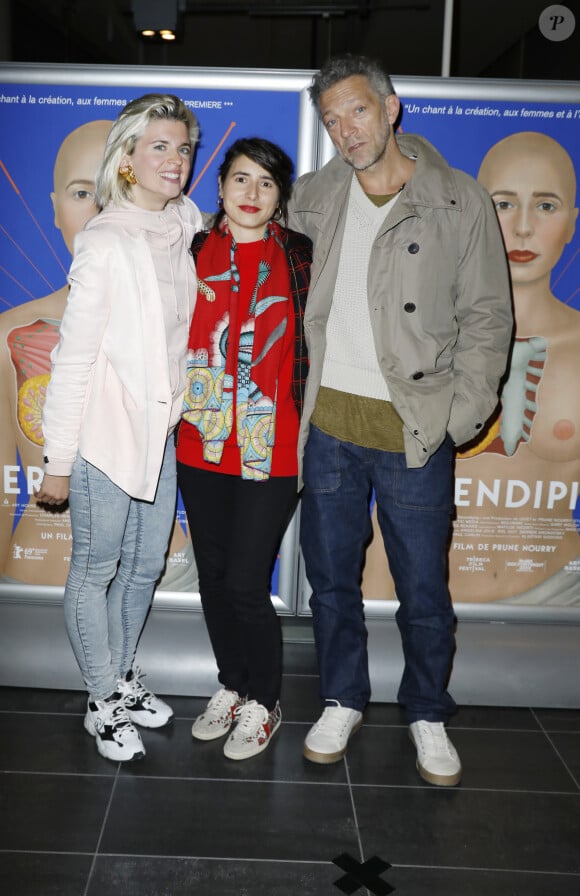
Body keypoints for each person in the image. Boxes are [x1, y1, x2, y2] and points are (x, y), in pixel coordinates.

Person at [288, 54, 512, 785]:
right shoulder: (313, 197)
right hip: (328, 425)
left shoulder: (459, 199)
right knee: (329, 581)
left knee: (422, 587)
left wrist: (463, 415)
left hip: (417, 425)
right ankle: (342, 696)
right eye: (331, 120)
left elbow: (487, 317)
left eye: (356, 111)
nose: (345, 130)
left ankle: (426, 711)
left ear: (391, 107)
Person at [34, 94, 203, 762]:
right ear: (127, 161)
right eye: (159, 146)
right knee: (96, 568)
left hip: (160, 434)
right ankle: (100, 701)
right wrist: (58, 460)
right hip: (105, 436)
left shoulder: (186, 223)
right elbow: (72, 360)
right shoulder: (103, 241)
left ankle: (124, 678)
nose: (175, 159)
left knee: (144, 566)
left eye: (183, 148)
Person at [177, 137, 312, 760]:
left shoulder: (300, 258)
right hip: (201, 442)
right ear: (222, 187)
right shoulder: (191, 250)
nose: (252, 194)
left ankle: (265, 700)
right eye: (240, 179)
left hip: (272, 447)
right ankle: (232, 684)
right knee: (211, 578)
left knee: (245, 583)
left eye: (265, 182)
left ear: (280, 195)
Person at [449, 131, 580, 605]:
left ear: (571, 222)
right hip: (421, 589)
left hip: (562, 596)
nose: (523, 227)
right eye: (503, 204)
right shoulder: (429, 337)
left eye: (546, 206)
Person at [0, 120, 112, 585]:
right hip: (41, 565)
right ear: (55, 208)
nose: (99, 212)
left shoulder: (182, 326)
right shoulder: (12, 333)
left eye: (116, 191)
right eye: (82, 192)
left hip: (164, 572)